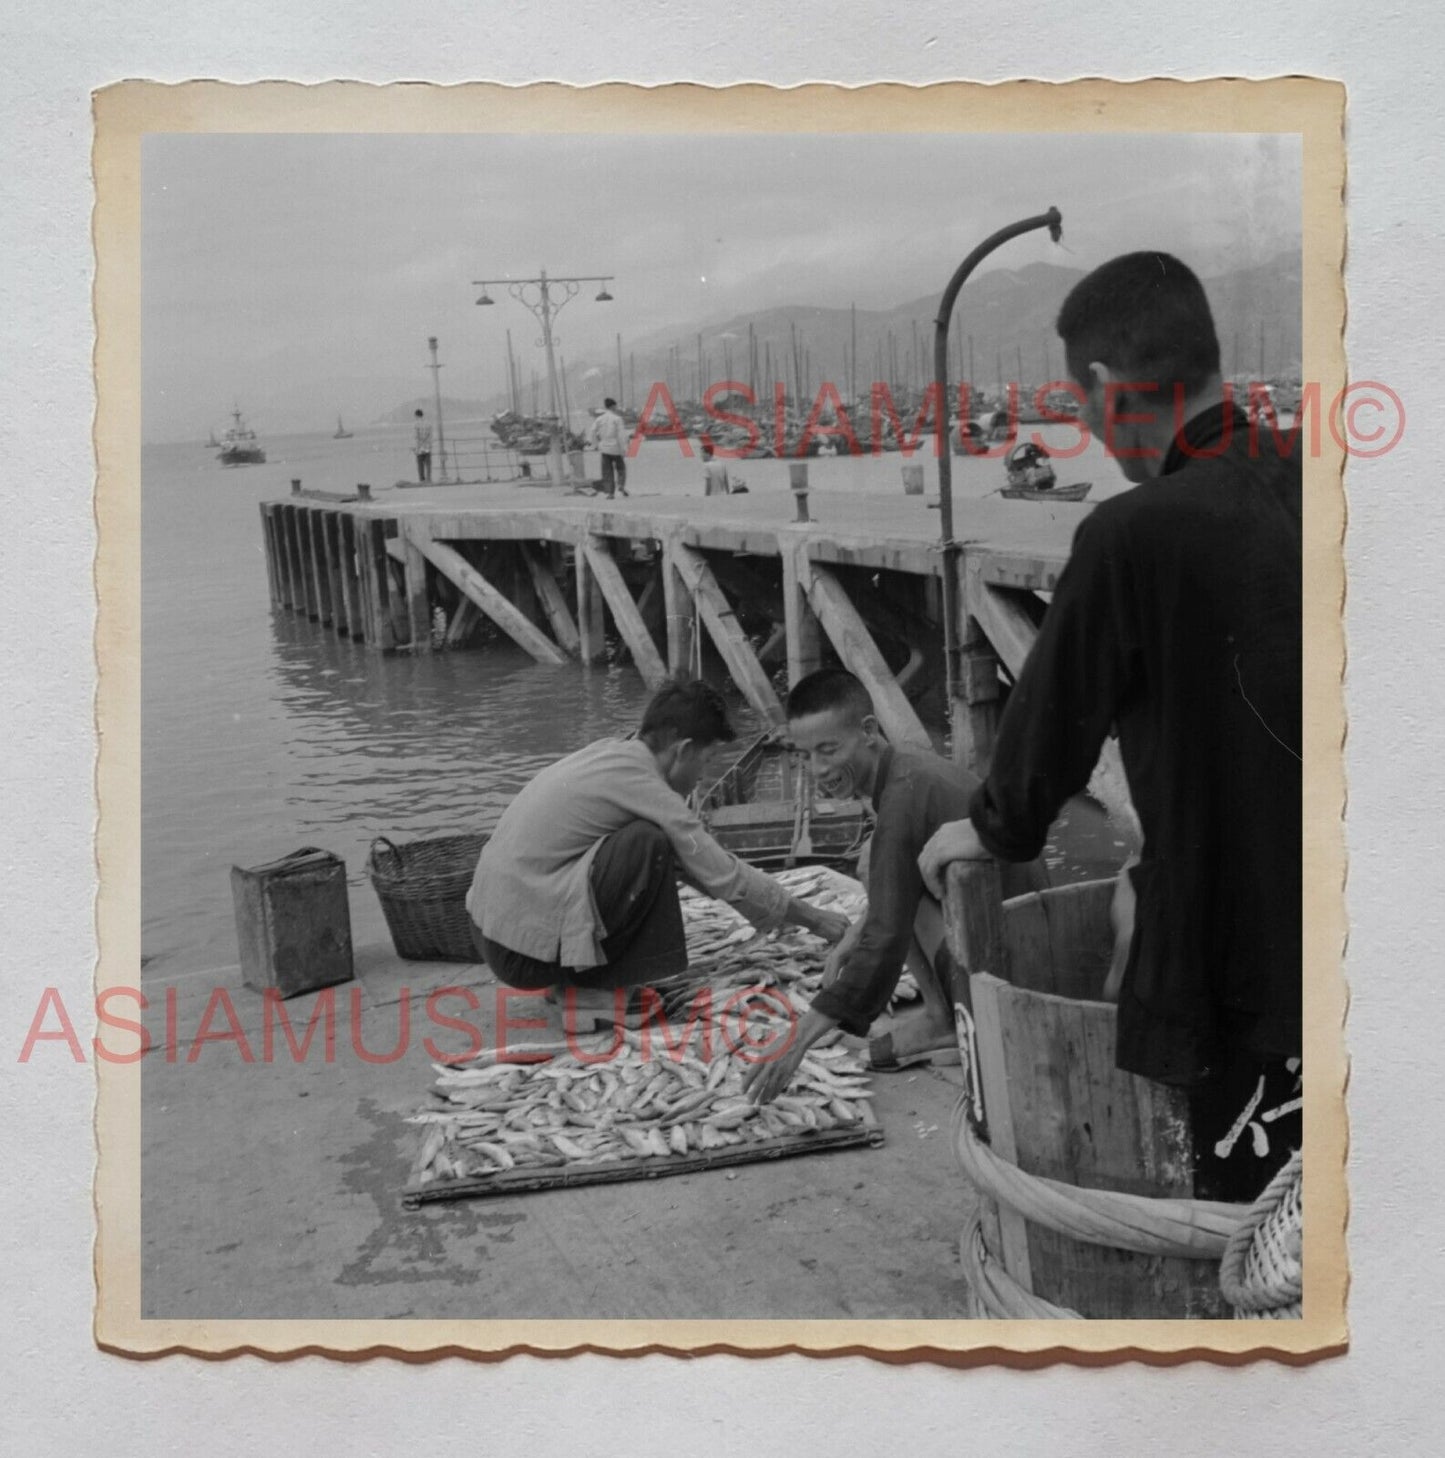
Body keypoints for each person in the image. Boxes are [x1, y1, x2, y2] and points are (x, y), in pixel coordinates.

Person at [917, 251, 1301, 1201]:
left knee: (1255, 1223)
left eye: (1079, 407)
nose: (1085, 429)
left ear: (1103, 386)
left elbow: (1045, 738)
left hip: (1240, 964)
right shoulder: (1321, 482)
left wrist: (990, 826)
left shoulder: (1131, 533)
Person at [468, 678, 850, 1027]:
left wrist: (763, 914)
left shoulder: (613, 753)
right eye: (706, 760)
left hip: (494, 936)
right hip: (522, 957)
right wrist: (816, 920)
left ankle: (575, 985)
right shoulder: (646, 786)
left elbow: (702, 871)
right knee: (647, 843)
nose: (705, 776)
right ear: (682, 750)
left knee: (656, 844)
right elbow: (723, 874)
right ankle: (594, 992)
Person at [741, 669, 1047, 1104]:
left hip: (1015, 963)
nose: (818, 769)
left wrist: (798, 1040)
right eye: (804, 756)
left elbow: (887, 934)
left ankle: (949, 1017)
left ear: (868, 731)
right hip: (1011, 929)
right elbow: (890, 889)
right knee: (874, 863)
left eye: (829, 750)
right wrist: (852, 937)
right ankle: (943, 1012)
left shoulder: (903, 797)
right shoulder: (905, 770)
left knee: (879, 872)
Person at [588, 397, 629, 498]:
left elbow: (592, 431)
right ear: (613, 406)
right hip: (616, 448)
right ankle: (620, 485)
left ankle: (610, 493)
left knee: (607, 471)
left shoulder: (599, 419)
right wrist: (624, 448)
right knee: (621, 469)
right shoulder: (617, 419)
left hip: (604, 448)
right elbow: (621, 435)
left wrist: (595, 444)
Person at [413, 408, 433, 482]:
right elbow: (430, 435)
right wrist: (429, 445)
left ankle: (422, 480)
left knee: (420, 465)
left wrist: (416, 447)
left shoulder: (416, 424)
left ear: (417, 415)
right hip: (427, 447)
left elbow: (416, 437)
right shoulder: (428, 423)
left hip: (420, 448)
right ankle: (429, 479)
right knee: (428, 464)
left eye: (415, 416)